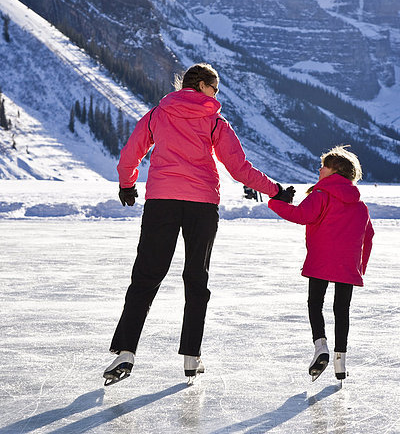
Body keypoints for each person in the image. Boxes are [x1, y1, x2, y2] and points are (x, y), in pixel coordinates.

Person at [103, 63, 293, 385]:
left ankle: (125, 352)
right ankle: (192, 356)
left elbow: (131, 152)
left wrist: (127, 183)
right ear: (203, 85)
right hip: (202, 206)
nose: (216, 95)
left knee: (146, 276)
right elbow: (239, 168)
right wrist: (275, 191)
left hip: (162, 202)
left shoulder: (158, 114)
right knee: (196, 278)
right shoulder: (215, 121)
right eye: (214, 88)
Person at [268, 146, 374, 381]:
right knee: (341, 310)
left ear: (336, 170)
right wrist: (360, 268)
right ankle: (340, 363)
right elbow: (369, 236)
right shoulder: (360, 206)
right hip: (347, 265)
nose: (320, 168)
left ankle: (321, 347)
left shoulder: (321, 195)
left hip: (321, 261)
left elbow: (300, 216)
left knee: (315, 303)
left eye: (324, 165)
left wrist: (276, 203)